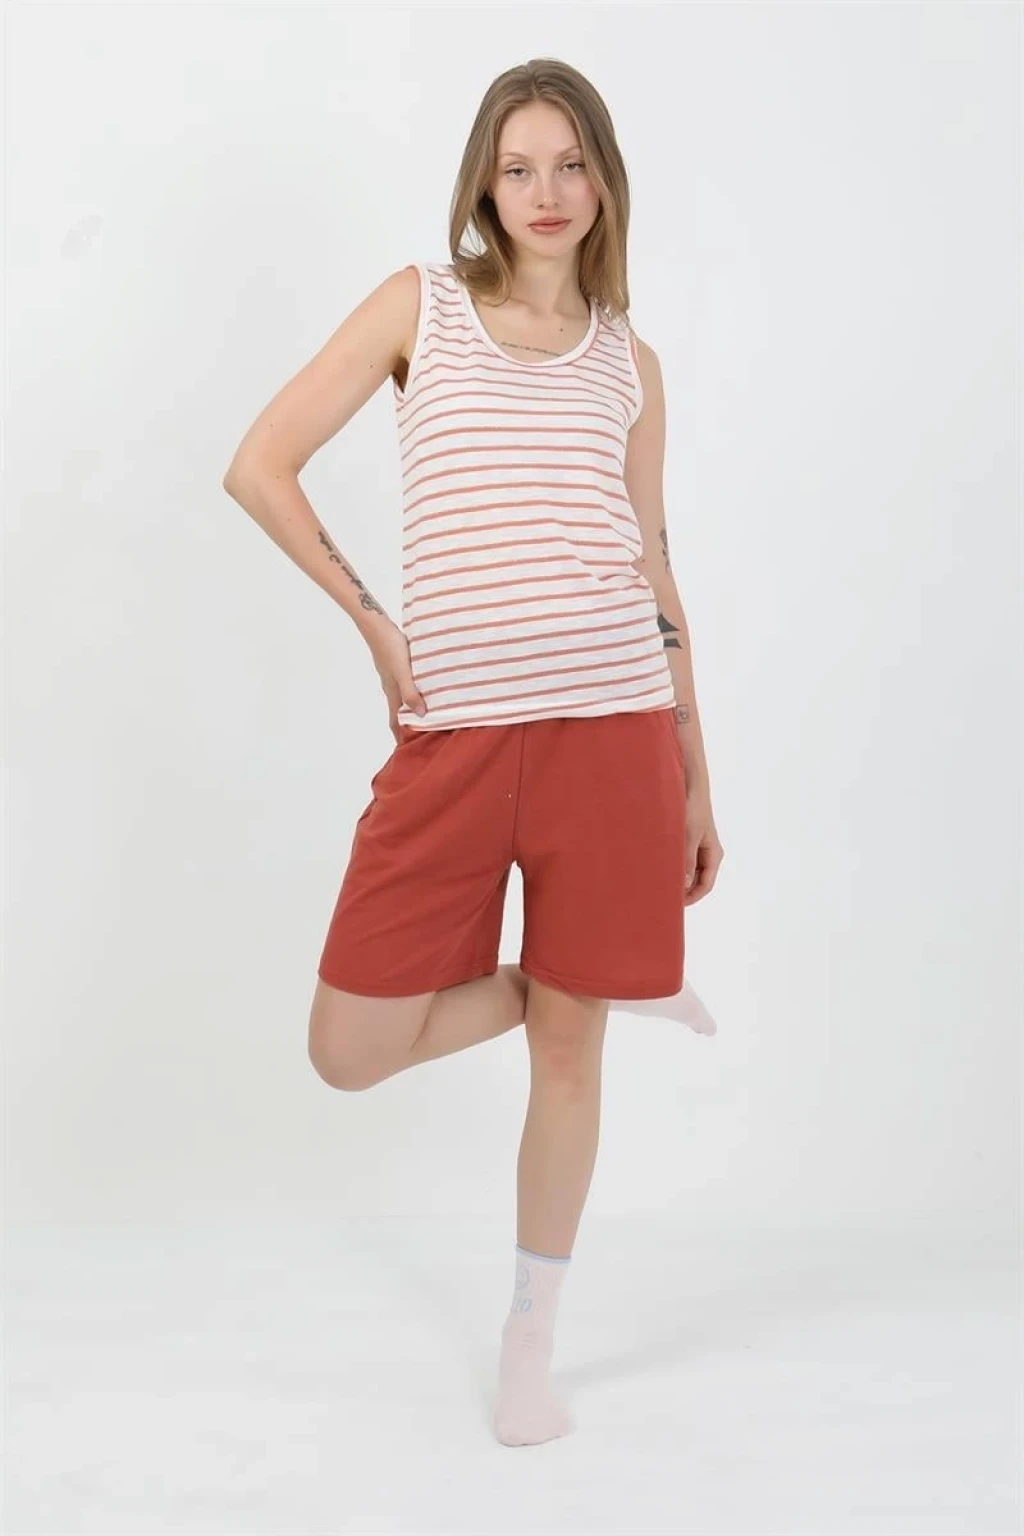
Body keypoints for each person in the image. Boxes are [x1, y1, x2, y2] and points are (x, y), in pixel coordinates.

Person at [223, 58, 725, 1447]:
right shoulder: (420, 307)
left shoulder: (632, 365)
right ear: (483, 185)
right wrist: (375, 625)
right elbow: (260, 464)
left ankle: (528, 1345)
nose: (546, 192)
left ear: (604, 180)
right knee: (347, 1047)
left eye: (571, 164)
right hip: (452, 741)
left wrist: (698, 777)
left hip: (614, 737)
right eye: (518, 167)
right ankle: (599, 975)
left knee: (570, 1058)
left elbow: (656, 570)